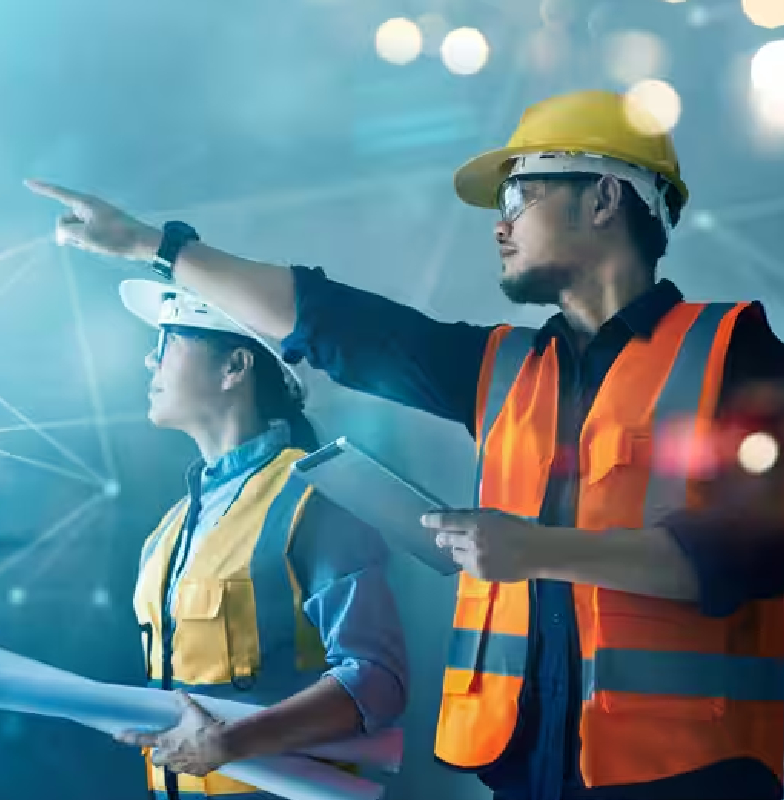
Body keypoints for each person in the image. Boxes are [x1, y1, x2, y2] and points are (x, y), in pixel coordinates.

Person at [26, 89, 784, 800]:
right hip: (532, 770)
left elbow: (754, 546)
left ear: (605, 198)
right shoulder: (505, 369)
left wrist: (537, 551)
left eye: (519, 195)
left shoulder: (732, 351)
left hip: (692, 773)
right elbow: (336, 325)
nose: (501, 223)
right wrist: (155, 247)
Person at [107, 279, 408, 799]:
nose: (147, 363)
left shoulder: (314, 497)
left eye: (168, 342)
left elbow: (378, 680)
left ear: (234, 368)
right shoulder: (167, 531)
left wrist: (232, 743)